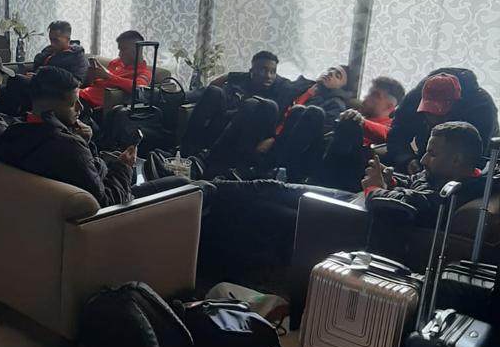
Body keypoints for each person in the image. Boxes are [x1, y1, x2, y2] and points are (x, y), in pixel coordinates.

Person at [206, 120, 486, 267]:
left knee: (267, 200)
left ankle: (204, 190)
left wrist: (375, 187)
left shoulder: (457, 190)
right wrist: (392, 181)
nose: (423, 159)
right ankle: (209, 188)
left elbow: (413, 205)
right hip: (355, 207)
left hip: (351, 220)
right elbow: (417, 188)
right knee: (272, 191)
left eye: (432, 154)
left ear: (457, 160)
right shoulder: (451, 176)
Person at [0, 66, 195, 208]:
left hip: (47, 212)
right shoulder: (68, 147)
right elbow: (107, 202)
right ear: (52, 107)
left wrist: (84, 142)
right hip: (107, 218)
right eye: (73, 103)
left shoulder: (12, 132)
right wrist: (124, 166)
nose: (80, 108)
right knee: (187, 186)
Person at [180, 51, 299, 156]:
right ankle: (185, 149)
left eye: (273, 72)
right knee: (214, 91)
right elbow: (216, 83)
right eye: (263, 70)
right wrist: (227, 76)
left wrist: (274, 138)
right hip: (228, 121)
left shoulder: (282, 87)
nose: (269, 76)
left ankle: (208, 157)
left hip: (251, 131)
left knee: (251, 104)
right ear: (252, 71)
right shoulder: (245, 78)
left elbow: (302, 87)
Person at [386, 69, 499, 173]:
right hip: (426, 159)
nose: (433, 119)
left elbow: (475, 159)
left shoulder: (481, 108)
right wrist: (407, 161)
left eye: (440, 114)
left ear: (456, 106)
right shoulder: (414, 99)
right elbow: (396, 138)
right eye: (428, 112)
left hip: (478, 166)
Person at [312, 75, 406, 191]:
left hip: (350, 172)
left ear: (390, 106)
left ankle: (317, 181)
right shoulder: (357, 114)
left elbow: (387, 134)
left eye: (375, 95)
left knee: (350, 125)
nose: (366, 97)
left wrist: (360, 121)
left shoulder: (391, 125)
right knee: (313, 113)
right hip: (326, 154)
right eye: (369, 93)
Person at [79, 29, 152, 112]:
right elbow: (97, 83)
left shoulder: (144, 73)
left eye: (123, 49)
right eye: (119, 50)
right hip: (81, 94)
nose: (120, 54)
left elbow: (139, 88)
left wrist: (108, 76)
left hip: (90, 104)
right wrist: (92, 75)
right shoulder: (116, 62)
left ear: (137, 50)